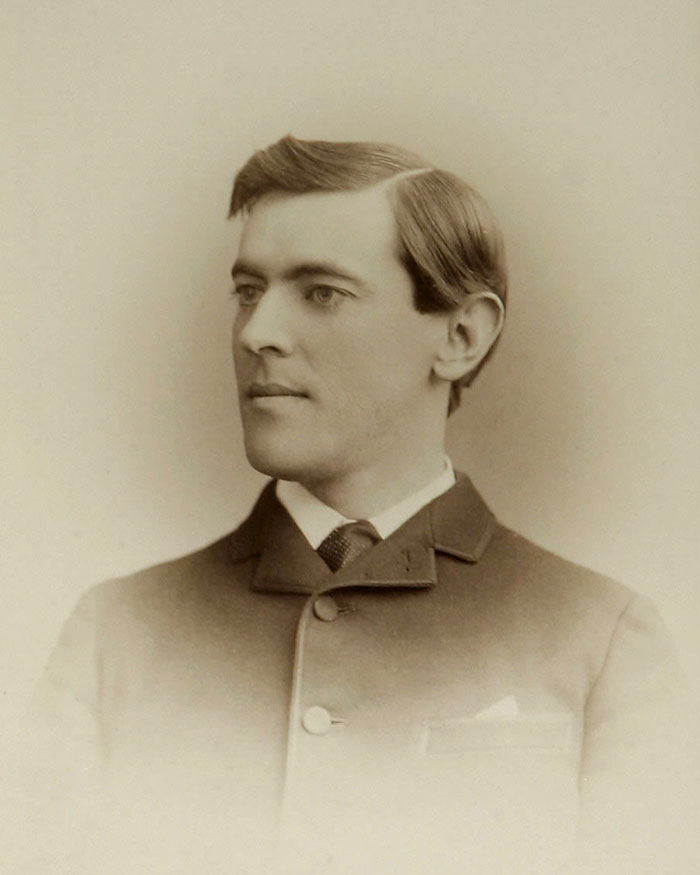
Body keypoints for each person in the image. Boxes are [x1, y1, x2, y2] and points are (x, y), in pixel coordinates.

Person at [21, 136, 697, 874]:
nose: (256, 333)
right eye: (248, 292)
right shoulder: (115, 635)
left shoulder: (601, 639)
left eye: (322, 293)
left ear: (461, 336)